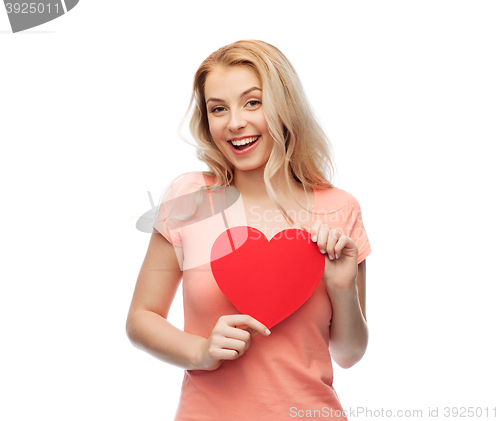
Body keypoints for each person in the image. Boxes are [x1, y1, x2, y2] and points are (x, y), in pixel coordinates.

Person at [126, 40, 372, 420]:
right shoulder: (189, 197)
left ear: (284, 105)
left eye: (252, 102)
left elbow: (349, 354)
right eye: (218, 109)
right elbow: (142, 317)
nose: (235, 122)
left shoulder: (340, 208)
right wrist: (201, 351)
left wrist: (342, 291)